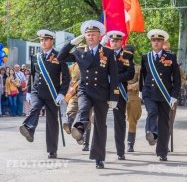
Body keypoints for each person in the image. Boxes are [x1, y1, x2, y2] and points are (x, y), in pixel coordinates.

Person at [58, 20, 119, 169]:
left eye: (93, 34)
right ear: (84, 36)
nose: (90, 37)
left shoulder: (108, 52)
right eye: (88, 34)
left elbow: (114, 76)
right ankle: (79, 128)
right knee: (83, 109)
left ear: (100, 36)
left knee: (100, 125)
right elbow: (60, 57)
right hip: (85, 89)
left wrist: (114, 97)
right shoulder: (79, 51)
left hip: (102, 92)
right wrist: (71, 43)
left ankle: (99, 157)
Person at [19, 29, 70, 159]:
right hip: (37, 91)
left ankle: (52, 150)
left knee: (52, 122)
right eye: (41, 40)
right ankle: (29, 128)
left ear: (51, 41)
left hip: (53, 93)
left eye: (46, 40)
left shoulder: (60, 56)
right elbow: (32, 75)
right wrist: (30, 91)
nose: (43, 42)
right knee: (35, 108)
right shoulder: (36, 57)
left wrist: (62, 93)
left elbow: (66, 77)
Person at [139, 29, 181, 161]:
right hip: (149, 93)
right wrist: (141, 91)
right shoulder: (146, 57)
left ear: (163, 42)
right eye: (154, 40)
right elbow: (143, 76)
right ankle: (151, 132)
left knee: (164, 123)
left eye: (159, 40)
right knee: (152, 111)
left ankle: (162, 152)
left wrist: (174, 95)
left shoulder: (171, 57)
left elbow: (177, 79)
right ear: (151, 42)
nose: (156, 42)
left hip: (165, 94)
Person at [106, 31, 135, 160]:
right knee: (99, 120)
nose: (115, 42)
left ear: (121, 42)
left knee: (119, 122)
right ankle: (97, 150)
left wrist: (115, 78)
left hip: (119, 91)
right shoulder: (103, 53)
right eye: (112, 41)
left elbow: (130, 73)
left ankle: (120, 151)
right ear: (109, 42)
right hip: (104, 90)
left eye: (117, 41)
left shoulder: (127, 55)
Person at [63, 62, 92, 151]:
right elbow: (65, 79)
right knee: (70, 110)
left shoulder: (91, 64)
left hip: (87, 95)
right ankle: (70, 126)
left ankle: (85, 142)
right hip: (74, 94)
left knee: (86, 118)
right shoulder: (72, 67)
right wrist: (69, 85)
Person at [125, 45, 142, 153]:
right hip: (119, 95)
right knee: (119, 121)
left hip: (133, 96)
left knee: (132, 120)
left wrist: (133, 86)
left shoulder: (138, 68)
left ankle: (130, 144)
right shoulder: (117, 65)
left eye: (130, 52)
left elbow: (143, 82)